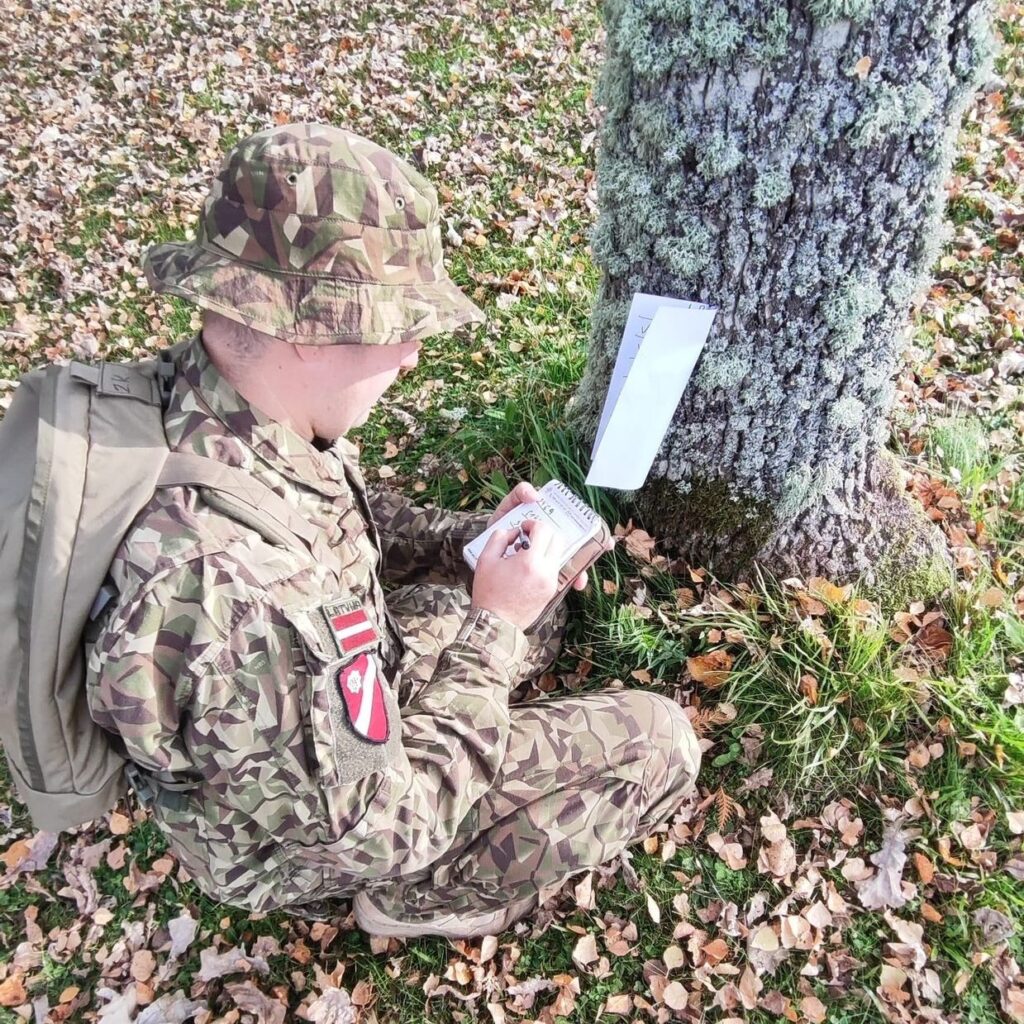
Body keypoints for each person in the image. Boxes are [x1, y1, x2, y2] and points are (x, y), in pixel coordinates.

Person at [85, 123, 701, 938]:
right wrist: (492, 627)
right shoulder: (231, 595)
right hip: (322, 837)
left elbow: (334, 516)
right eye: (396, 326)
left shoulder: (220, 400)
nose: (412, 354)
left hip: (299, 716)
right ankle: (416, 906)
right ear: (308, 328)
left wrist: (470, 542)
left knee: (533, 597)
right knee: (660, 742)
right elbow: (390, 827)